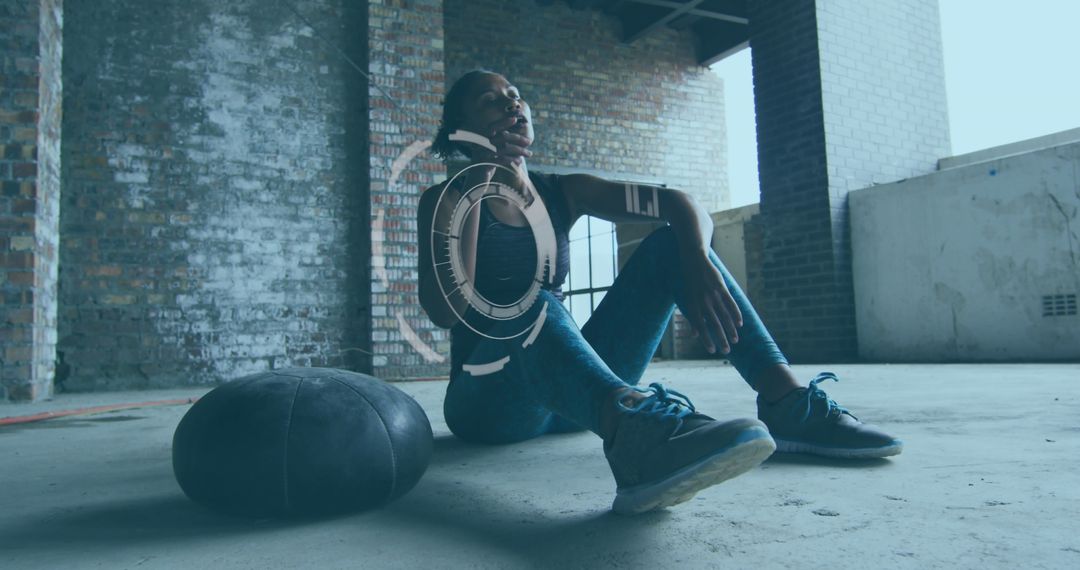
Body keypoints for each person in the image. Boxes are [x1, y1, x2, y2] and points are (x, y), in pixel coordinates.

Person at [416, 69, 902, 515]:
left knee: (674, 242)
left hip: (572, 396)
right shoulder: (446, 200)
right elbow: (444, 311)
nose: (512, 105)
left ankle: (788, 405)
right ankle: (639, 442)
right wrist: (474, 189)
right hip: (489, 406)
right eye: (490, 102)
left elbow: (678, 202)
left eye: (515, 97)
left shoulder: (565, 191)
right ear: (463, 128)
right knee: (532, 303)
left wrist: (696, 263)